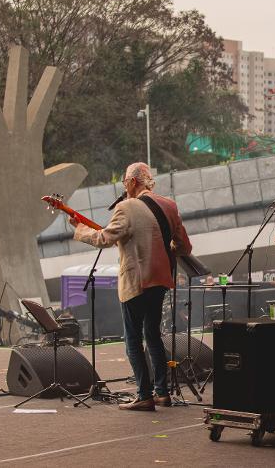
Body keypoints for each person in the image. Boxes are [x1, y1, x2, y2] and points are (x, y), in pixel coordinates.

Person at [70, 162, 192, 411]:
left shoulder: (125, 207)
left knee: (133, 339)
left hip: (136, 281)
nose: (124, 186)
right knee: (153, 335)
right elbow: (184, 248)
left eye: (125, 182)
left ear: (132, 182)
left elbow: (104, 238)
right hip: (160, 280)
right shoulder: (169, 205)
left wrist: (80, 230)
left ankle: (144, 395)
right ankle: (162, 393)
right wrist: (164, 251)